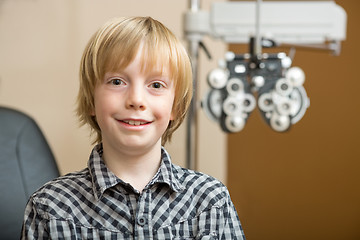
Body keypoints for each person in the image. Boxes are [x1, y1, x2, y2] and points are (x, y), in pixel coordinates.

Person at [21, 16, 246, 239]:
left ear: (174, 107)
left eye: (156, 85)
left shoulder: (211, 203)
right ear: (91, 100)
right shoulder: (49, 209)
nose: (136, 100)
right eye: (117, 82)